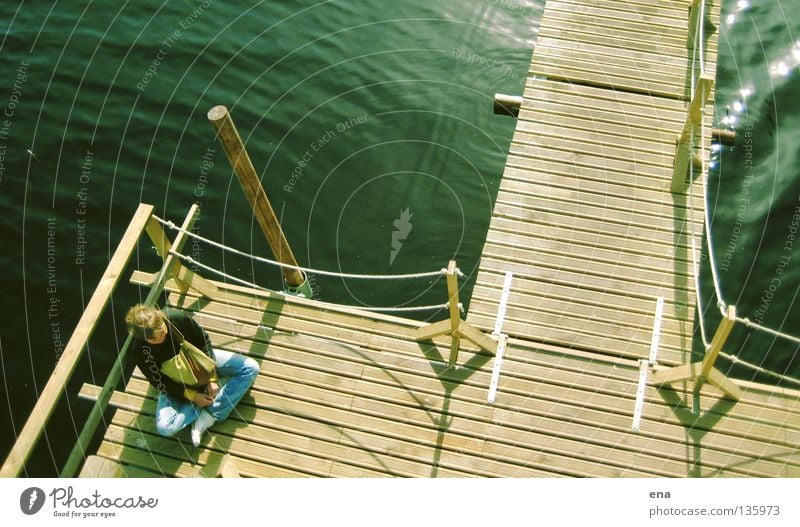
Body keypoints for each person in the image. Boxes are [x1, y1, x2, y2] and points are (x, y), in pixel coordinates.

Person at [125, 304, 259, 446]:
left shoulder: (176, 318)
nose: (163, 336)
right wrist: (193, 396)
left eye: (163, 330)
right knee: (165, 427)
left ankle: (208, 416)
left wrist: (211, 378)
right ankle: (215, 393)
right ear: (145, 339)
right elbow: (159, 383)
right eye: (155, 338)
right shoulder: (139, 351)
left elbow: (203, 341)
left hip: (200, 362)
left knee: (251, 367)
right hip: (177, 382)